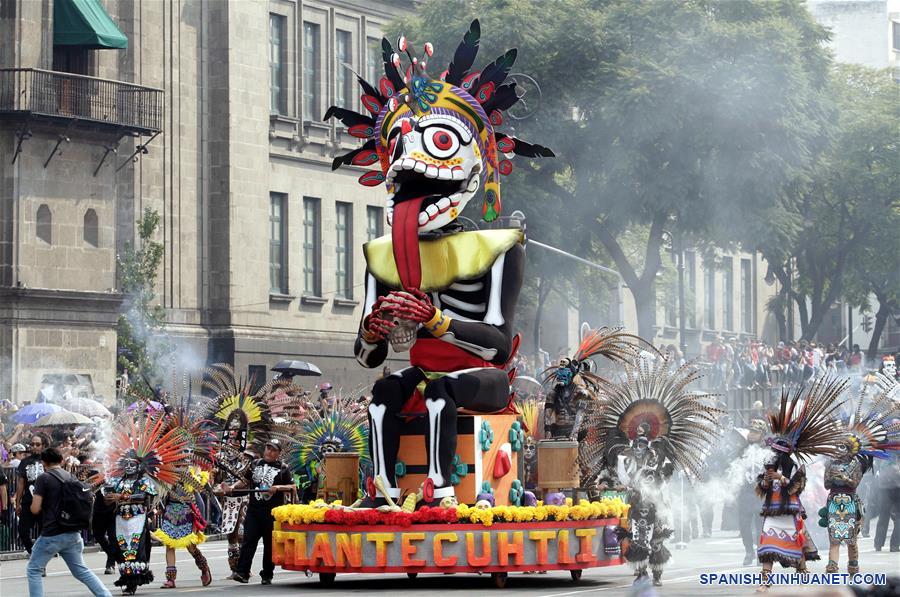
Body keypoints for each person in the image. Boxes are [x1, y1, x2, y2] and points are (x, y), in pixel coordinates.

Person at [25, 447, 112, 597]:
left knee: (34, 569)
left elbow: (35, 508)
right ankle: (105, 595)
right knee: (81, 571)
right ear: (61, 460)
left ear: (44, 462)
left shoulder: (43, 478)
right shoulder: (71, 477)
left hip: (51, 533)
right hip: (73, 533)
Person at [229, 440, 294, 585]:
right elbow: (245, 481)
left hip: (272, 512)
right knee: (248, 541)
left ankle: (267, 574)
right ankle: (242, 572)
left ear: (278, 453)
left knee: (269, 545)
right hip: (254, 510)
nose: (269, 452)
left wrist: (277, 487)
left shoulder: (283, 468)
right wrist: (232, 487)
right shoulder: (254, 464)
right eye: (268, 448)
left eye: (273, 450)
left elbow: (293, 487)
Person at [152, 468, 212, 588]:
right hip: (170, 512)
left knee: (190, 546)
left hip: (187, 512)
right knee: (169, 545)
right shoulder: (165, 471)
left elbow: (197, 490)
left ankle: (204, 568)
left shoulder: (189, 471)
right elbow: (162, 494)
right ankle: (171, 579)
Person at [15, 433, 48, 554]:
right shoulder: (24, 462)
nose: (34, 446)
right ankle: (34, 553)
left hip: (45, 502)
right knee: (22, 530)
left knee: (43, 532)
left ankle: (41, 561)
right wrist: (17, 503)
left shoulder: (47, 460)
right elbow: (21, 484)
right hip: (28, 501)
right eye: (32, 444)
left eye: (37, 444)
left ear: (42, 446)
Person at [873, 456, 900, 552]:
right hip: (897, 488)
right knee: (899, 519)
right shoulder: (896, 453)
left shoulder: (882, 454)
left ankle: (878, 544)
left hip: (883, 487)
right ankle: (895, 545)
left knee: (883, 517)